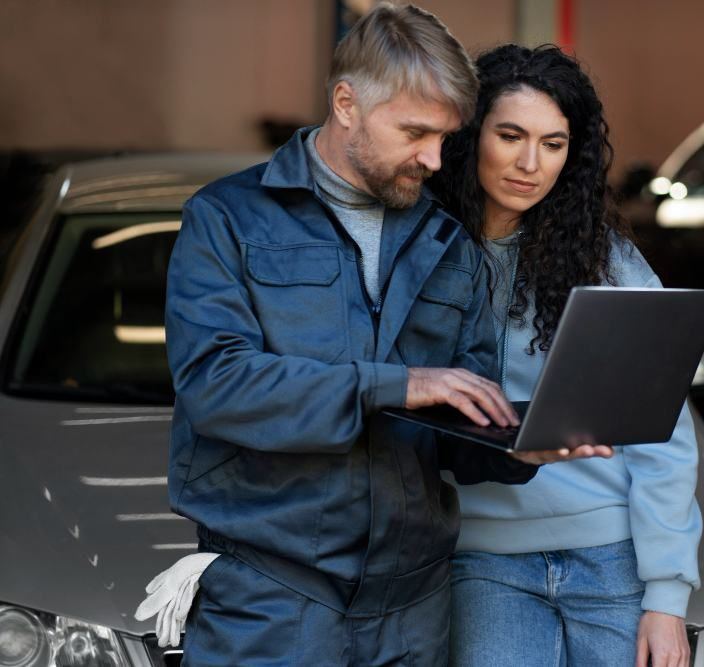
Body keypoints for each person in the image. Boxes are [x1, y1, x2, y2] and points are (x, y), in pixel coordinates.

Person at [146, 9, 610, 666]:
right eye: (415, 131)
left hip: (413, 610)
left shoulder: (449, 241)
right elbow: (218, 386)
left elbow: (456, 428)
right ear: (346, 104)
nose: (434, 157)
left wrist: (519, 446)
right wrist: (400, 383)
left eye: (445, 137)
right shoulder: (226, 219)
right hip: (273, 599)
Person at [431, 44, 702, 667]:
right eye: (510, 135)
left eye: (553, 144)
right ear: (470, 136)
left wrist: (666, 595)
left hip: (613, 561)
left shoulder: (607, 262)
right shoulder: (420, 256)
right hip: (483, 562)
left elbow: (664, 433)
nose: (530, 162)